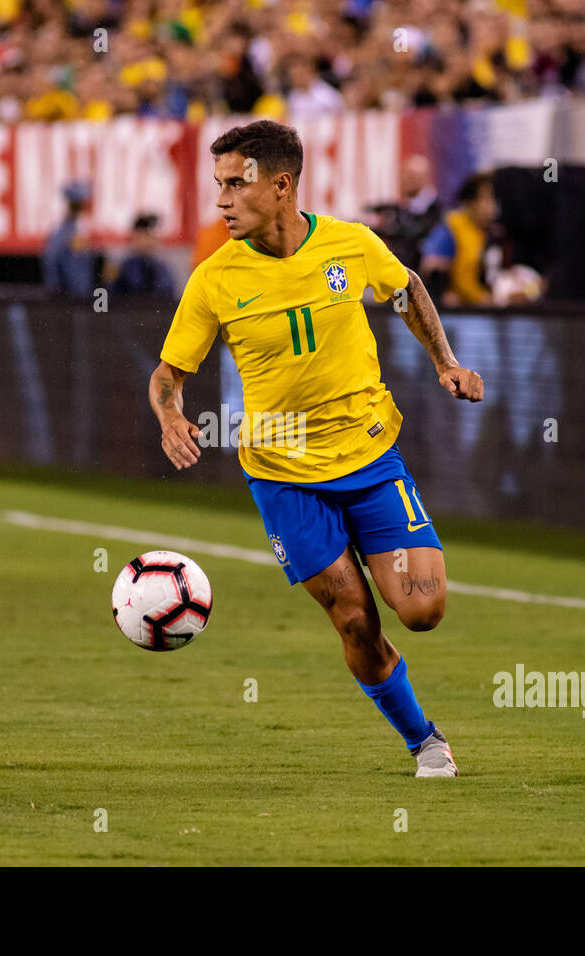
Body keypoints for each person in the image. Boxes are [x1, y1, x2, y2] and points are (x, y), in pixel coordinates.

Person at [148, 120, 485, 777]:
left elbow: (406, 287)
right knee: (355, 620)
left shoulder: (351, 245)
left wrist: (445, 361)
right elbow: (169, 373)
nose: (220, 202)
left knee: (422, 607)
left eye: (234, 185)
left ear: (281, 186)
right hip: (283, 475)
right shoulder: (214, 278)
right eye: (216, 185)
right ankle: (425, 741)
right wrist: (170, 417)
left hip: (368, 457)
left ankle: (384, 575)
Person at [419, 171, 502, 307]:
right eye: (486, 198)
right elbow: (429, 268)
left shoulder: (491, 233)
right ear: (470, 202)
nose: (492, 205)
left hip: (481, 311)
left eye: (493, 198)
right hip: (453, 314)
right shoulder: (450, 228)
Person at [43, 181, 98, 296]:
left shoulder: (82, 228)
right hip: (70, 299)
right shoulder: (63, 233)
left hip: (82, 297)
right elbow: (52, 265)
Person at [111, 214, 174, 297]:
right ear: (135, 236)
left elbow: (168, 294)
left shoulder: (162, 267)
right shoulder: (123, 265)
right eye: (146, 235)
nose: (150, 241)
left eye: (153, 236)